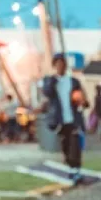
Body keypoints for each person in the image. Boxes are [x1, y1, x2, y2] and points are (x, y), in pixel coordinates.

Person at [41, 54, 88, 183]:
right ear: (54, 66)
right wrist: (53, 81)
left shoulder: (73, 81)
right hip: (60, 121)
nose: (61, 67)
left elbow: (82, 97)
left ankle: (76, 172)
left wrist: (83, 102)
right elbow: (47, 92)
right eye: (58, 64)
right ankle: (72, 168)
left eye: (63, 64)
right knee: (66, 147)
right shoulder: (50, 81)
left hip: (73, 119)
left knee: (75, 146)